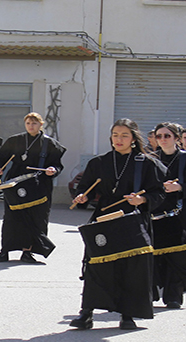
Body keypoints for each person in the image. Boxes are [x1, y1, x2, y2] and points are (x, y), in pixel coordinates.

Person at [69, 118, 166, 330]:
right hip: (103, 220)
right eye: (115, 135)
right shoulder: (99, 162)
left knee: (130, 268)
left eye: (124, 135)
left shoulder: (146, 163)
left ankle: (128, 314)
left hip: (132, 219)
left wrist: (142, 199)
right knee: (96, 265)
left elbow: (159, 193)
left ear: (133, 138)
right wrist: (81, 197)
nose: (119, 139)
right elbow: (84, 187)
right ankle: (86, 313)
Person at [0, 112, 65, 263]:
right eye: (28, 123)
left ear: (41, 125)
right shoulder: (15, 140)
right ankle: (5, 251)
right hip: (15, 186)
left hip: (39, 187)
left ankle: (27, 252)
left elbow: (57, 164)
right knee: (11, 219)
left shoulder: (49, 144)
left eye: (34, 123)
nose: (31, 126)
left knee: (35, 219)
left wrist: (53, 170)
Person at [150, 122, 186, 309]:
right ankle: (151, 292)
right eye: (159, 136)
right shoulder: (150, 159)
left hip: (180, 213)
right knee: (152, 254)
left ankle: (174, 296)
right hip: (155, 213)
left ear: (176, 138)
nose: (163, 140)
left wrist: (180, 187)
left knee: (178, 255)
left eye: (167, 136)